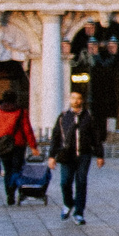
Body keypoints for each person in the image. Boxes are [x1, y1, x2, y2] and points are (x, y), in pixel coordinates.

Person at [48, 92, 105, 226]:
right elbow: (56, 137)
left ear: (82, 100)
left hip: (84, 155)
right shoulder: (63, 117)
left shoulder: (89, 117)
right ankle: (68, 203)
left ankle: (79, 212)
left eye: (79, 98)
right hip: (67, 155)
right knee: (65, 182)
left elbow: (96, 137)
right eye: (73, 98)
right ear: (69, 99)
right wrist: (51, 156)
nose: (76, 101)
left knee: (81, 182)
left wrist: (100, 155)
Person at [0, 96, 34, 206]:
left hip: (4, 145)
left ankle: (9, 193)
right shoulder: (21, 111)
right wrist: (33, 145)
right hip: (18, 144)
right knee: (17, 169)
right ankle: (15, 188)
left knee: (7, 170)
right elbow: (27, 129)